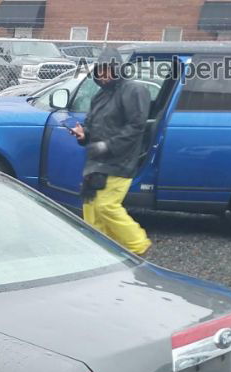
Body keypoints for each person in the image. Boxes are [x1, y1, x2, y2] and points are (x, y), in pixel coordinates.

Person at [69, 48, 152, 256]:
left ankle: (138, 245)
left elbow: (136, 126)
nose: (104, 76)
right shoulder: (99, 96)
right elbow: (91, 126)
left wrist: (108, 145)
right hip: (96, 163)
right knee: (90, 208)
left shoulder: (133, 90)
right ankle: (100, 251)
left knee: (106, 206)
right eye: (101, 72)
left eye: (109, 71)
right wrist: (83, 135)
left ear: (118, 70)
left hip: (119, 162)